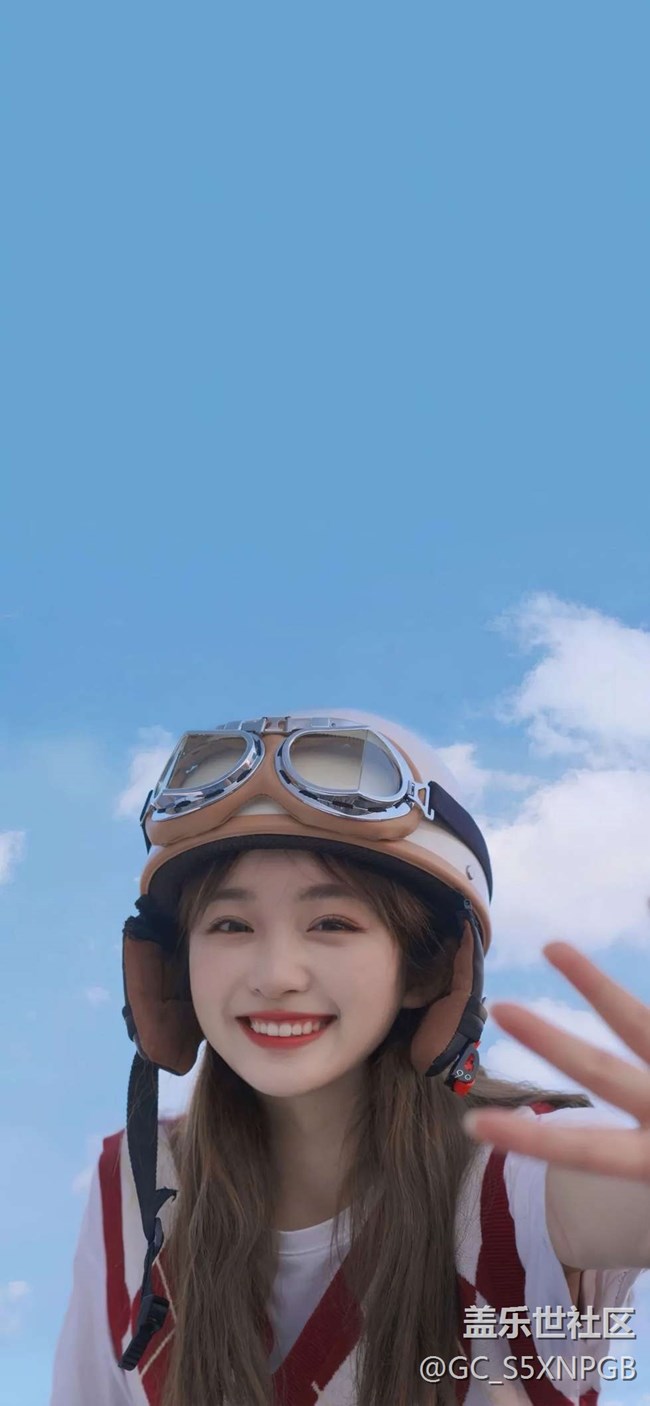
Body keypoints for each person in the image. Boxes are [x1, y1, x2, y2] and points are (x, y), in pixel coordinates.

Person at [50, 710, 650, 1406]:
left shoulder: (519, 1177)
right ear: (174, 971)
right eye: (231, 924)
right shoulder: (134, 1184)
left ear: (427, 970)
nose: (276, 975)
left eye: (332, 923)